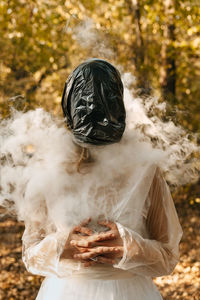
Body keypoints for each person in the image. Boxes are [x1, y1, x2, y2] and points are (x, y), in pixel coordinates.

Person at [21, 59, 183, 300]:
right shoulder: (48, 168)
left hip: (132, 293)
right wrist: (60, 245)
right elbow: (30, 255)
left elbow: (168, 257)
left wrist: (133, 248)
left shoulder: (145, 167)